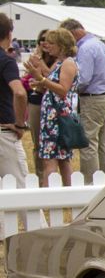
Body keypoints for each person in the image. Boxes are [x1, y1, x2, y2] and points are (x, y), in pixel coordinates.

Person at [56, 19, 105, 183]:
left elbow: (84, 78)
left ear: (72, 33)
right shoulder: (98, 43)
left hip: (93, 98)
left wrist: (67, 87)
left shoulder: (85, 48)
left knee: (88, 143)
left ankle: (90, 183)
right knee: (103, 144)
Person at [27, 28, 77, 187]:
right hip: (53, 115)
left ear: (62, 45)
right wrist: (40, 83)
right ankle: (67, 194)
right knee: (62, 159)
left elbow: (63, 90)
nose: (48, 46)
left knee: (51, 160)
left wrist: (41, 78)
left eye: (52, 43)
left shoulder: (68, 63)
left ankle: (50, 195)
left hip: (57, 117)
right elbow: (55, 87)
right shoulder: (61, 63)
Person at [0, 13, 30, 186]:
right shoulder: (6, 61)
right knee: (21, 185)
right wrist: (19, 124)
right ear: (9, 34)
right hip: (4, 130)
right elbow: (19, 92)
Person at [20, 29, 48, 181]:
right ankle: (40, 176)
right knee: (37, 143)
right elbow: (27, 78)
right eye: (41, 40)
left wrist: (41, 65)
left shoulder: (57, 60)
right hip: (35, 102)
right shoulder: (33, 59)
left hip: (52, 103)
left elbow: (52, 78)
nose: (44, 43)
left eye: (47, 40)